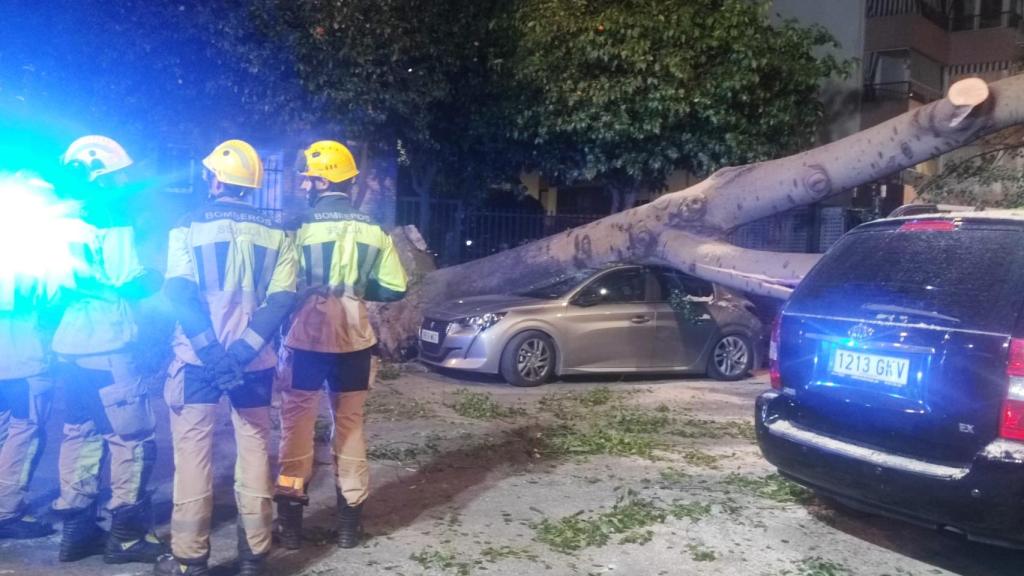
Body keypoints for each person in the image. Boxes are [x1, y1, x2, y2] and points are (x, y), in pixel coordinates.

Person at [156, 139, 296, 576]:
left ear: (215, 178)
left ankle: (189, 560)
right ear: (251, 185)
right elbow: (282, 300)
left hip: (198, 360)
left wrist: (214, 353)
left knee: (194, 455)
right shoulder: (279, 235)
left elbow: (179, 292)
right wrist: (240, 352)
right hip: (253, 363)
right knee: (255, 450)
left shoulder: (186, 227)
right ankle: (255, 556)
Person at [274, 140, 406, 550]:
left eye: (308, 178)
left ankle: (291, 524)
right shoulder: (374, 230)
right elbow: (396, 287)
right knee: (349, 427)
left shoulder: (297, 228)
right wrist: (357, 289)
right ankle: (349, 523)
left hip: (306, 342)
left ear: (319, 181)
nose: (304, 186)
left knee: (296, 426)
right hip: (355, 344)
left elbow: (281, 287)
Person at [51, 135, 166, 564]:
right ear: (101, 177)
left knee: (80, 435)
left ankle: (76, 534)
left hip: (70, 346)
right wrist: (156, 277)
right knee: (130, 438)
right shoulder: (112, 220)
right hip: (110, 346)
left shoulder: (56, 220)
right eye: (117, 175)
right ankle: (127, 538)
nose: (124, 182)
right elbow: (126, 278)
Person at [0, 174, 69, 540]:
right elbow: (54, 297)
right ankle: (6, 511)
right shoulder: (40, 246)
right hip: (26, 361)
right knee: (24, 434)